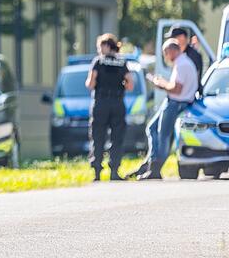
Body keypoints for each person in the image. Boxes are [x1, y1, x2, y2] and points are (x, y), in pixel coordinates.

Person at [132, 39, 198, 180]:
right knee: (152, 129)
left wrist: (160, 84)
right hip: (178, 102)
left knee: (164, 136)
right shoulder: (185, 62)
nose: (165, 57)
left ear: (172, 50)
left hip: (176, 102)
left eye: (165, 53)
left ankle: (155, 168)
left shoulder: (181, 64)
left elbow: (177, 89)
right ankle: (152, 163)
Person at [85, 34, 134, 181]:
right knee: (117, 137)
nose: (99, 50)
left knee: (98, 136)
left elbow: (90, 84)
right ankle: (114, 171)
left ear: (107, 46)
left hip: (101, 103)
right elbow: (130, 85)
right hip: (117, 103)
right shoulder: (121, 62)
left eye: (100, 47)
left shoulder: (98, 61)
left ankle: (97, 172)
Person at [166, 26, 203, 94]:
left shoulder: (193, 55)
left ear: (182, 37)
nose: (171, 42)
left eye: (173, 38)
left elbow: (193, 79)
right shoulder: (181, 55)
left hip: (189, 98)